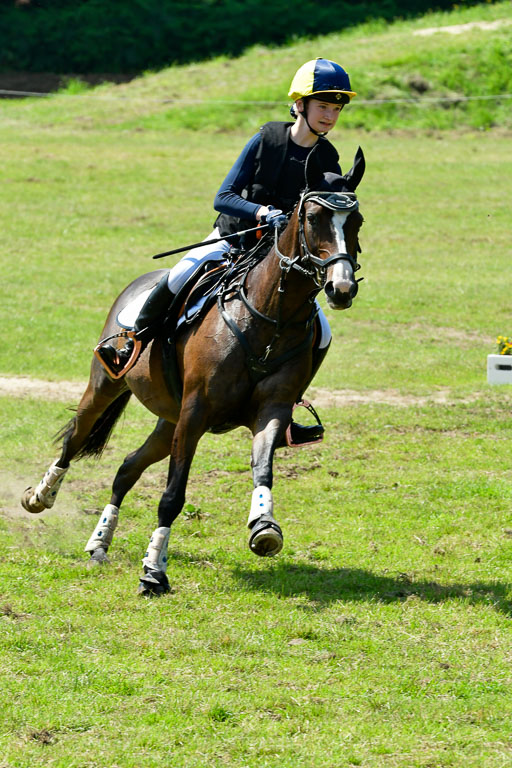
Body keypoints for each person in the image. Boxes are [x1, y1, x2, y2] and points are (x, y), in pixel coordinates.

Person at [97, 58, 356, 441]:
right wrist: (261, 211)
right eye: (323, 107)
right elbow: (223, 197)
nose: (330, 116)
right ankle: (127, 345)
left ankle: (288, 409)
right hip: (231, 242)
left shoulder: (327, 158)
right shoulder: (267, 139)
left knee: (322, 332)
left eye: (336, 109)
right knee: (175, 278)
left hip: (276, 260)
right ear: (300, 105)